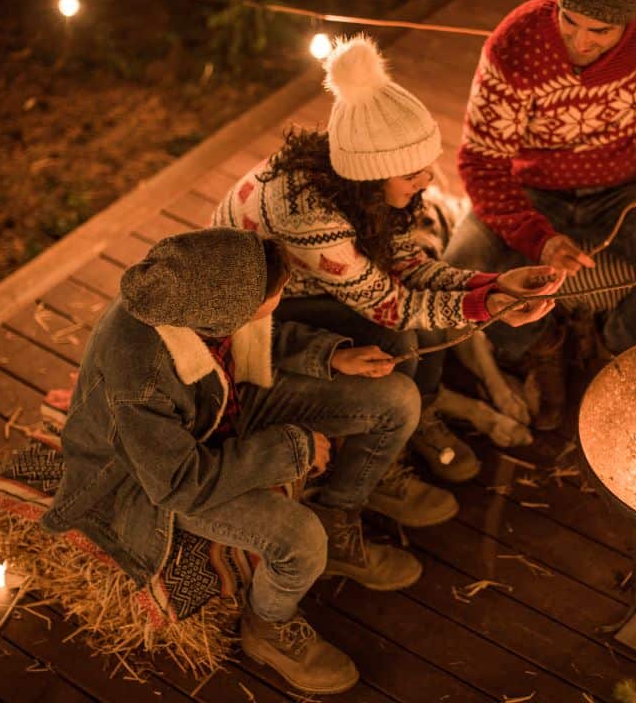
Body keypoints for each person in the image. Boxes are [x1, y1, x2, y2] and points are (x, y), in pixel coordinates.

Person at [41, 228, 428, 695]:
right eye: (277, 293)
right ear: (227, 311)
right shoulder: (138, 380)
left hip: (217, 408)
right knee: (301, 540)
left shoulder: (197, 296)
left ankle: (338, 516)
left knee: (398, 400)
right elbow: (177, 482)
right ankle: (269, 625)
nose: (283, 298)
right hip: (150, 478)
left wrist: (332, 356)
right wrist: (293, 449)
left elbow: (261, 330)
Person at [213, 34, 562, 485]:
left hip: (304, 285)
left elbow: (408, 266)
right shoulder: (309, 216)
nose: (427, 180)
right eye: (412, 173)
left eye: (428, 165)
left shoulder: (360, 178)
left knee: (409, 335)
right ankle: (384, 451)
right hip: (251, 317)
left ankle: (422, 412)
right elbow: (393, 306)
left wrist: (495, 285)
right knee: (399, 336)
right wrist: (488, 306)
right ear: (373, 173)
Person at [444, 0, 636, 429]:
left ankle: (614, 353)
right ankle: (538, 346)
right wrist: (538, 240)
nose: (581, 43)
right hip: (534, 188)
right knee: (460, 271)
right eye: (570, 21)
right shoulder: (516, 45)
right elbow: (481, 163)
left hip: (630, 185)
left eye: (601, 31)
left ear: (632, 19)